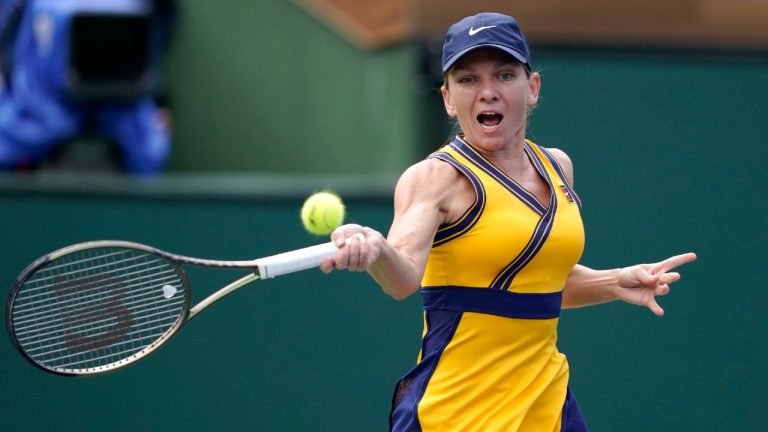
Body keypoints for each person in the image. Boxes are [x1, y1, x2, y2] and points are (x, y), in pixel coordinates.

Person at [320, 12, 697, 432]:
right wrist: (375, 249)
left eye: (503, 75)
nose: (487, 93)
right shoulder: (434, 178)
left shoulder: (558, 167)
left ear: (532, 87)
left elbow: (536, 281)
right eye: (467, 80)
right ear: (447, 98)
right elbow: (403, 277)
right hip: (457, 414)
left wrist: (614, 281)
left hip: (548, 406)